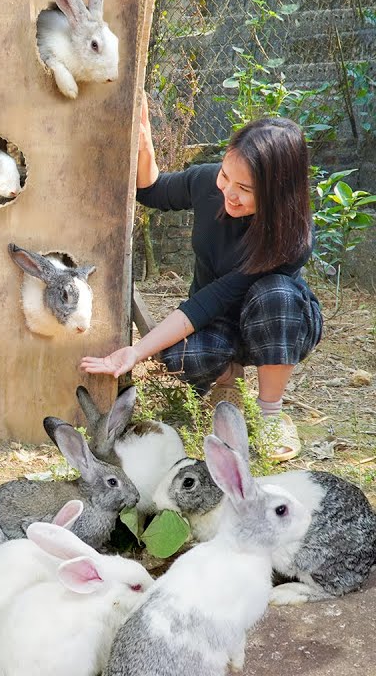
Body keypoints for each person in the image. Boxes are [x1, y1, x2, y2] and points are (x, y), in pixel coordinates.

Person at [81, 101, 321, 461]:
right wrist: (145, 146)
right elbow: (153, 191)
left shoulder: (292, 237)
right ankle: (228, 381)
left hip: (278, 323)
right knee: (178, 356)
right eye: (226, 176)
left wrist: (136, 350)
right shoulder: (210, 183)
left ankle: (271, 413)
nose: (229, 193)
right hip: (218, 323)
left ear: (278, 192)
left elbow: (213, 298)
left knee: (276, 295)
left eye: (246, 188)